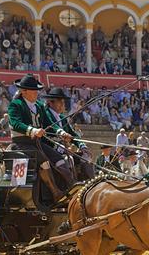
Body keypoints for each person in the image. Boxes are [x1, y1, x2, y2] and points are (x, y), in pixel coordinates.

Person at [6, 74, 72, 202]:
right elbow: (15, 123)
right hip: (21, 144)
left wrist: (60, 132)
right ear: (24, 91)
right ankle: (55, 192)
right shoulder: (15, 105)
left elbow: (49, 124)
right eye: (34, 90)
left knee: (59, 158)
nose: (37, 92)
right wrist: (33, 130)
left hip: (37, 143)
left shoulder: (39, 106)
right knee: (43, 160)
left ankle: (71, 186)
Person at [41, 87, 94, 181]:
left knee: (86, 156)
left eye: (63, 102)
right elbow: (46, 137)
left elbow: (72, 134)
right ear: (50, 102)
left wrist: (82, 146)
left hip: (64, 149)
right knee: (68, 159)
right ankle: (69, 185)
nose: (63, 104)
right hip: (51, 150)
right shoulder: (46, 115)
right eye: (60, 101)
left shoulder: (62, 117)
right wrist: (63, 149)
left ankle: (89, 182)